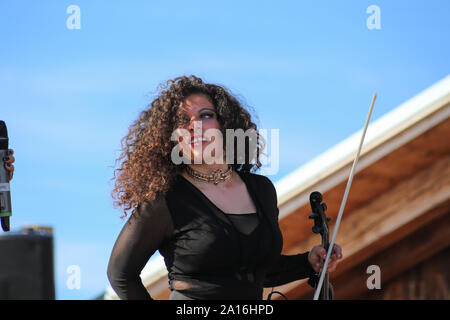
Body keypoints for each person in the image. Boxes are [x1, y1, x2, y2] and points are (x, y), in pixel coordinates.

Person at [106, 75, 342, 300]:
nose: (193, 126)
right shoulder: (166, 201)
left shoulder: (261, 190)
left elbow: (258, 269)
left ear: (225, 124)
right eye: (181, 120)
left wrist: (308, 262)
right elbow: (121, 275)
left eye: (205, 115)